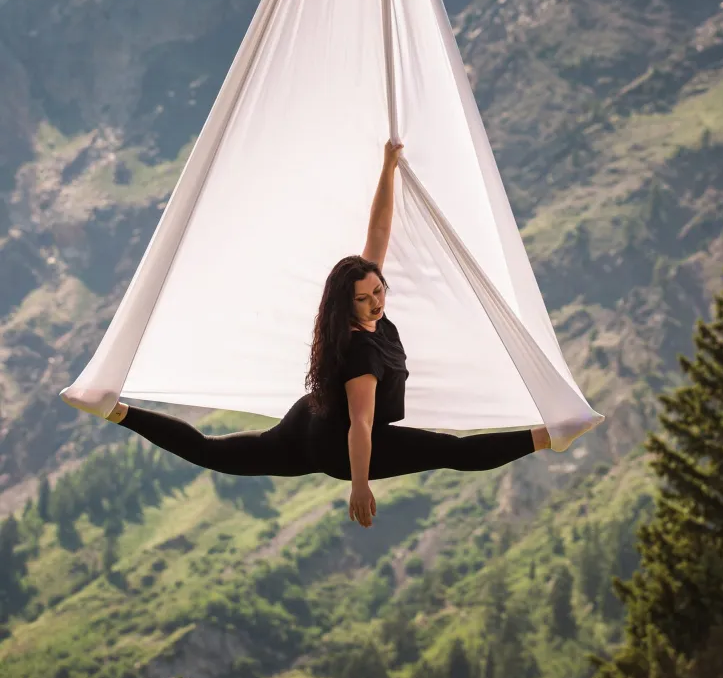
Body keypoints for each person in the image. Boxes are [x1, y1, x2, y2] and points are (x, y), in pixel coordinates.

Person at [62, 140, 550, 528]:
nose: (378, 302)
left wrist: (388, 168)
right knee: (456, 453)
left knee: (212, 451)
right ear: (348, 303)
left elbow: (378, 231)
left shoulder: (354, 317)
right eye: (367, 298)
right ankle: (550, 436)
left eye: (379, 291)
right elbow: (362, 425)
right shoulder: (360, 350)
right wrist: (359, 485)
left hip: (307, 421)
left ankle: (114, 410)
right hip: (341, 448)